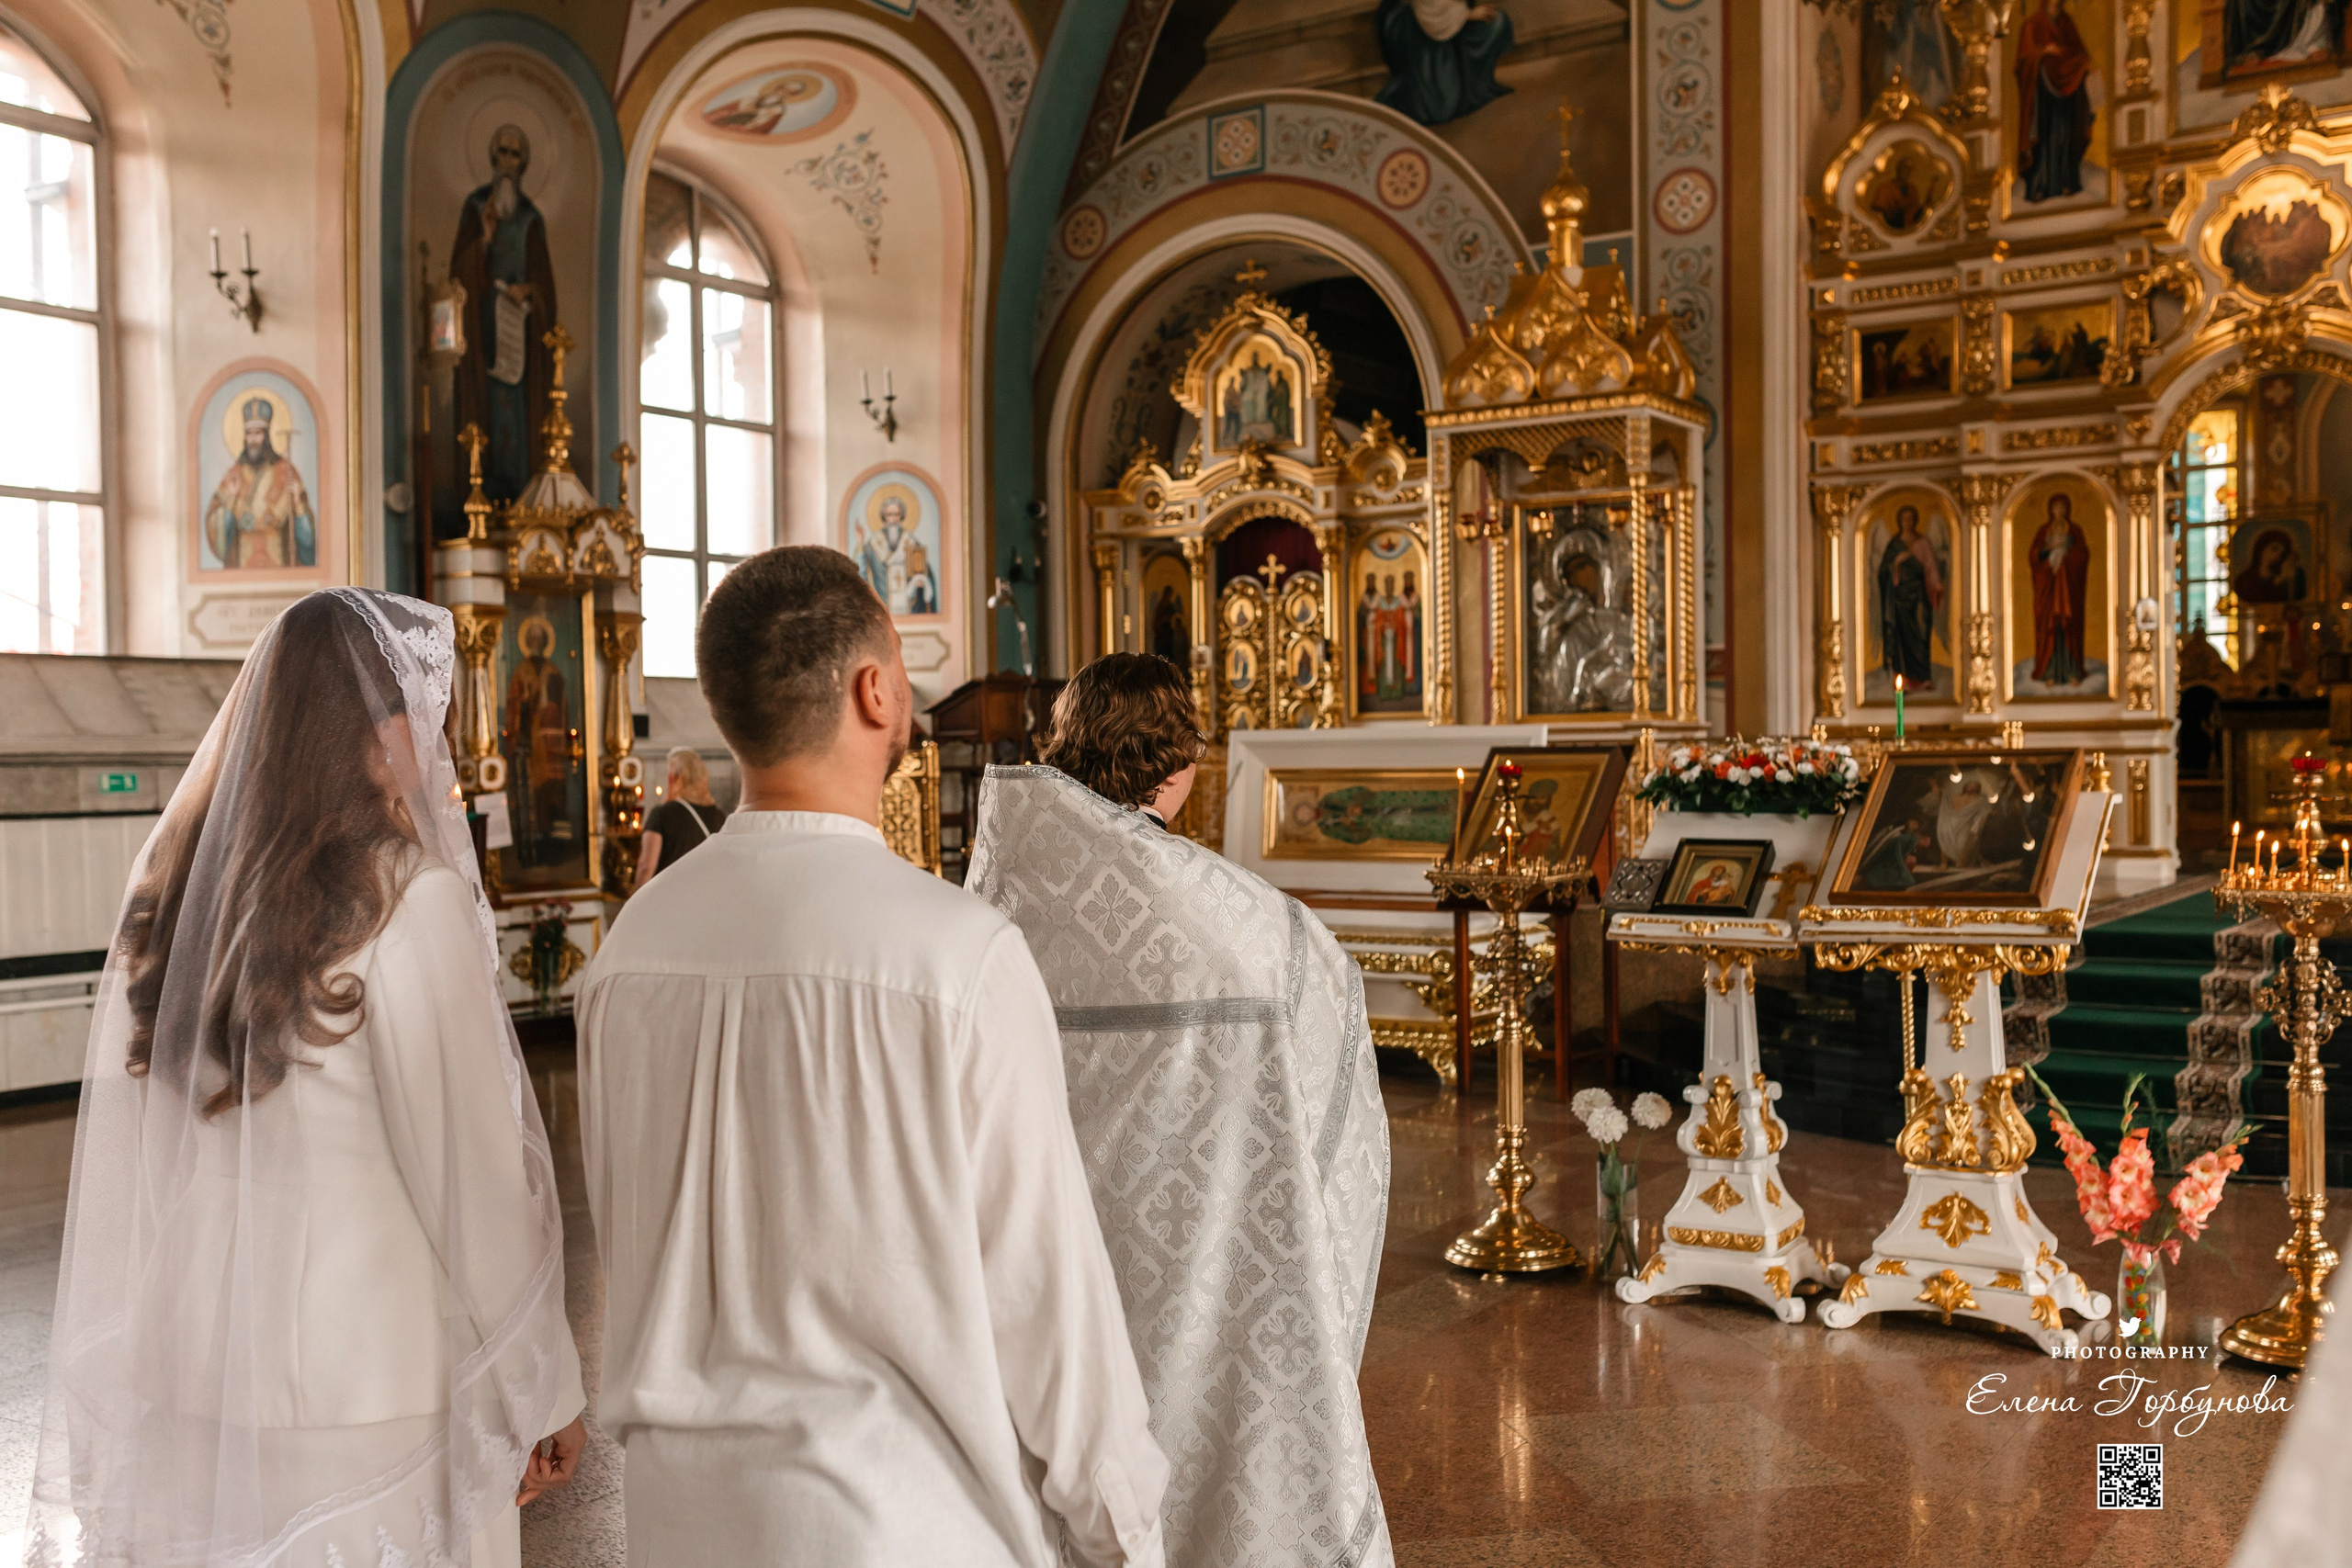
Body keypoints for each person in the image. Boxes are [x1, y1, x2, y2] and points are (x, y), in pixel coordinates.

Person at [575, 547, 1166, 1568]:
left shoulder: (629, 950)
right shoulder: (958, 954)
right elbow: (1048, 1296)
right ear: (875, 689)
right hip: (905, 1521)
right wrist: (1128, 1534)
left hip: (681, 1523)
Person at [23, 589, 584, 1565]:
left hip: (194, 1349)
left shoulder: (194, 893)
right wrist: (547, 1389)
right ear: (374, 731)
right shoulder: (407, 900)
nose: (437, 750)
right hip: (367, 1378)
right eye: (424, 718)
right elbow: (472, 1184)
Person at [967, 652, 1394, 1568]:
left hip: (1037, 1253)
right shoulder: (1243, 928)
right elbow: (1327, 1010)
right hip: (1198, 1250)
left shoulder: (997, 892)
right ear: (1179, 763)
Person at [451, 123, 560, 502]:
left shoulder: (531, 219)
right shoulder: (476, 206)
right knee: (485, 408)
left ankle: (519, 491)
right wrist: (484, 238)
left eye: (515, 155)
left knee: (515, 413)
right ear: (492, 158)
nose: (508, 163)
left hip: (519, 335)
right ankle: (483, 487)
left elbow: (545, 285)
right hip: (483, 332)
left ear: (523, 164)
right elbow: (458, 274)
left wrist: (529, 291)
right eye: (502, 153)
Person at [202, 393, 316, 569]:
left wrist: (297, 504)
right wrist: (231, 500)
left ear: (267, 435)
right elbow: (219, 539)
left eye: (258, 433)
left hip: (279, 562)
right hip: (242, 564)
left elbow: (307, 540)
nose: (253, 440)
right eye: (249, 434)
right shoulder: (234, 475)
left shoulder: (285, 471)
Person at [633, 745, 726, 889]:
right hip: (703, 894)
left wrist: (634, 899)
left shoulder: (662, 814)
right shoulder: (720, 816)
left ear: (674, 778)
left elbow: (646, 866)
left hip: (668, 895)